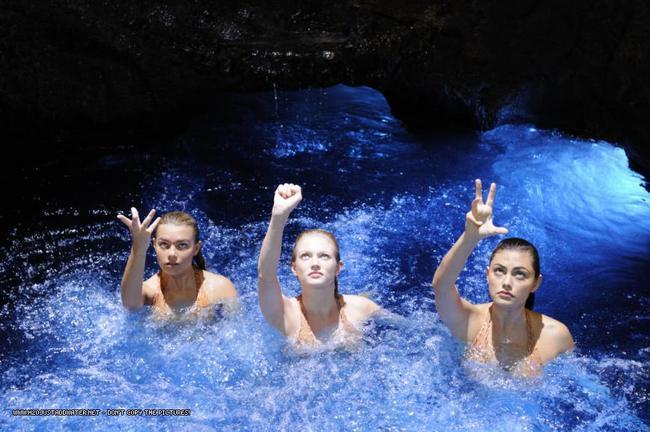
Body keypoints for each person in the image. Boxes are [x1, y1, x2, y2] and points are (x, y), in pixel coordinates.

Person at [432, 179, 574, 376]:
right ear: (487, 274)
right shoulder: (468, 321)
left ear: (536, 283)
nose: (507, 282)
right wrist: (469, 238)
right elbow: (441, 287)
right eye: (499, 271)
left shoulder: (556, 336)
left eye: (520, 274)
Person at [257, 183, 380, 347]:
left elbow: (412, 328)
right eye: (306, 256)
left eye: (324, 256)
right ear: (294, 268)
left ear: (338, 268)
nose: (315, 263)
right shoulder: (285, 314)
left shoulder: (361, 309)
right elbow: (266, 276)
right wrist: (278, 217)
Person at [118, 208, 238, 317]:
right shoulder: (149, 291)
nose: (172, 254)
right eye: (164, 244)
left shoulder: (218, 288)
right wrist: (139, 249)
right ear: (154, 245)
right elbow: (130, 305)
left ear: (196, 248)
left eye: (182, 245)